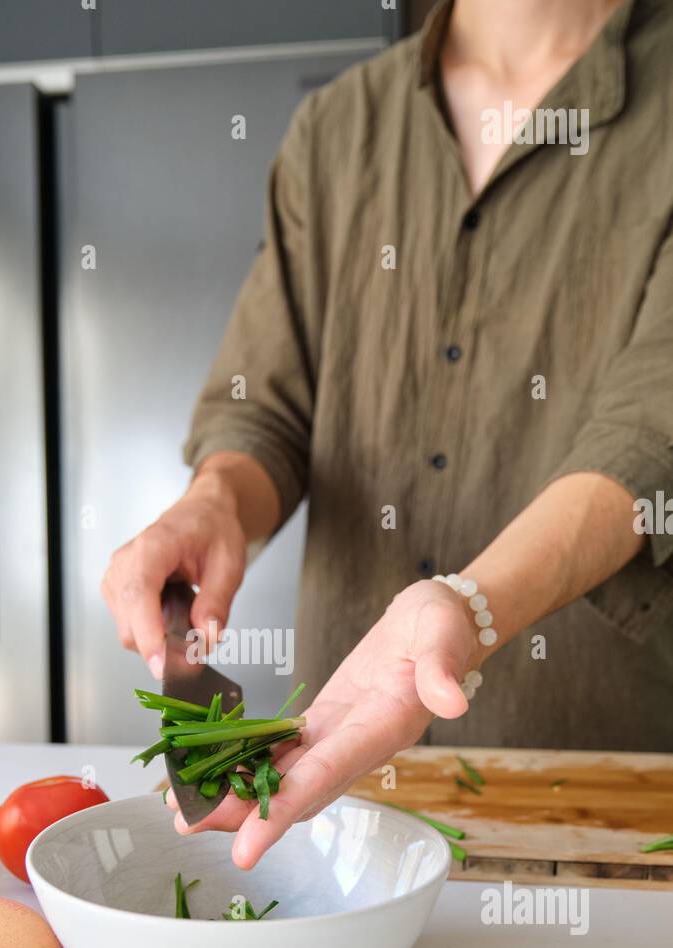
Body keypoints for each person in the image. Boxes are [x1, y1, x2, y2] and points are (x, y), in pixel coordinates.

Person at [102, 0, 673, 868]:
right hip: (334, 810)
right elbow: (265, 409)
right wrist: (215, 503)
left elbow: (650, 435)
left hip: (592, 795)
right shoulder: (339, 126)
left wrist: (471, 608)